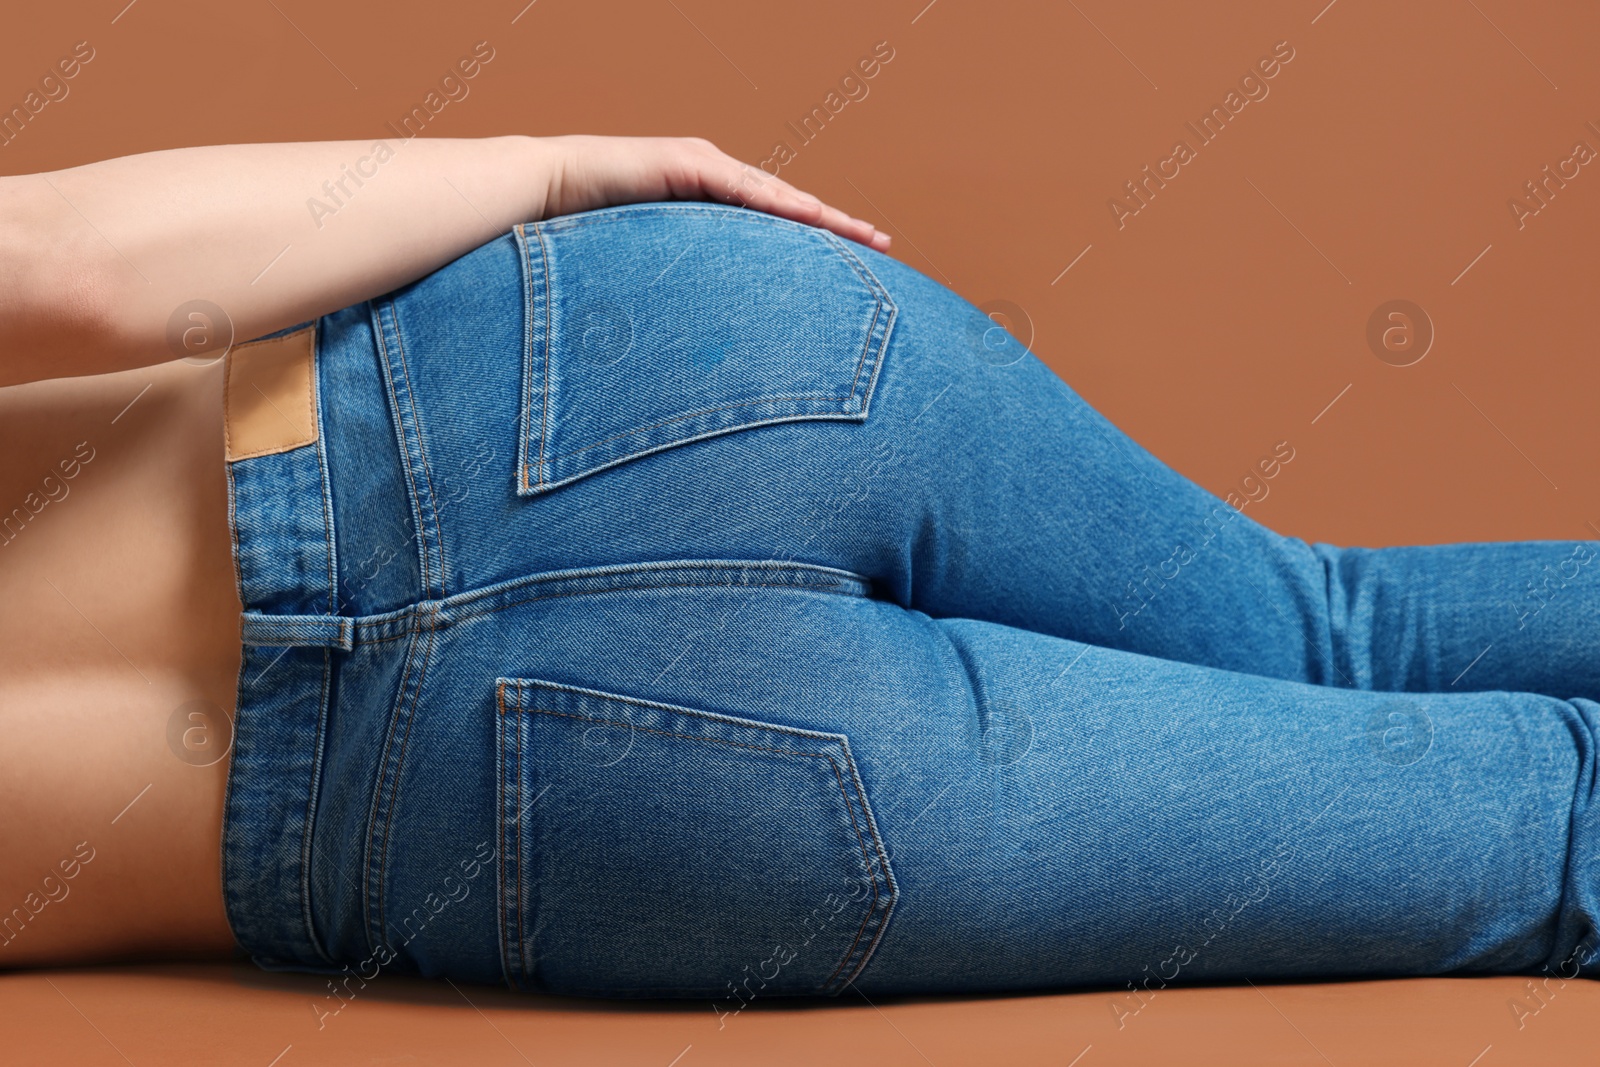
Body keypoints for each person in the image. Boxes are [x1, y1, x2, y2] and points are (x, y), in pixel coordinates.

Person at [2, 134, 1598, 1002]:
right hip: (582, 371)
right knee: (1340, 628)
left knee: (1550, 826)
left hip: (531, 800)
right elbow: (64, 267)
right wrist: (562, 173)